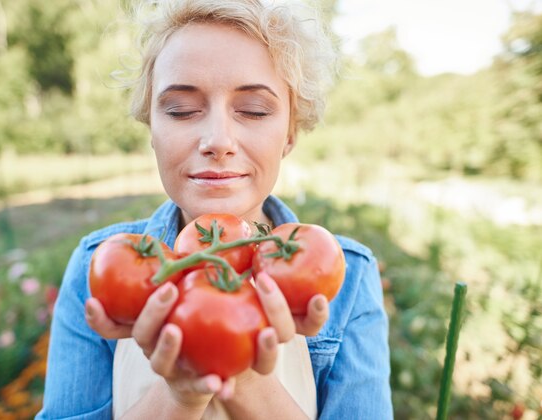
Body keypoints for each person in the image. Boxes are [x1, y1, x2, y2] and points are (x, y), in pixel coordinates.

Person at [37, 0, 392, 418]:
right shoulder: (96, 267)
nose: (217, 140)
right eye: (181, 110)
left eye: (254, 110)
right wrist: (179, 397)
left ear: (290, 134)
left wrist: (243, 376)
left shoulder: (347, 277)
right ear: (152, 128)